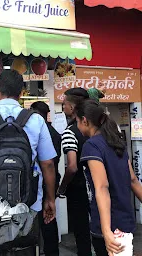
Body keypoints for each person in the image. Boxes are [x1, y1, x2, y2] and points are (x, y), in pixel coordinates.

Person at [0, 70, 56, 224]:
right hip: (28, 204)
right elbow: (48, 164)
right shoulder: (36, 120)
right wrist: (50, 199)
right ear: (20, 93)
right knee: (27, 245)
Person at [77, 100, 142, 256]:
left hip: (107, 225)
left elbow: (101, 187)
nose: (78, 126)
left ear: (85, 120)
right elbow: (133, 180)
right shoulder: (116, 141)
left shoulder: (91, 145)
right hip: (125, 223)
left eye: (78, 121)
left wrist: (106, 231)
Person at [58, 88, 92, 256]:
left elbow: (72, 167)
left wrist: (62, 187)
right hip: (100, 186)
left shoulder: (70, 132)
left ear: (71, 108)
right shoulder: (99, 128)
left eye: (64, 104)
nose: (63, 107)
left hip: (78, 188)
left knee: (81, 229)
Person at [30, 101, 61, 256]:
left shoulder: (42, 132)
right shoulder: (54, 132)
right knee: (49, 219)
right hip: (52, 180)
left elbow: (48, 163)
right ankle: (50, 251)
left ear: (36, 112)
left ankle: (46, 251)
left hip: (43, 181)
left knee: (45, 218)